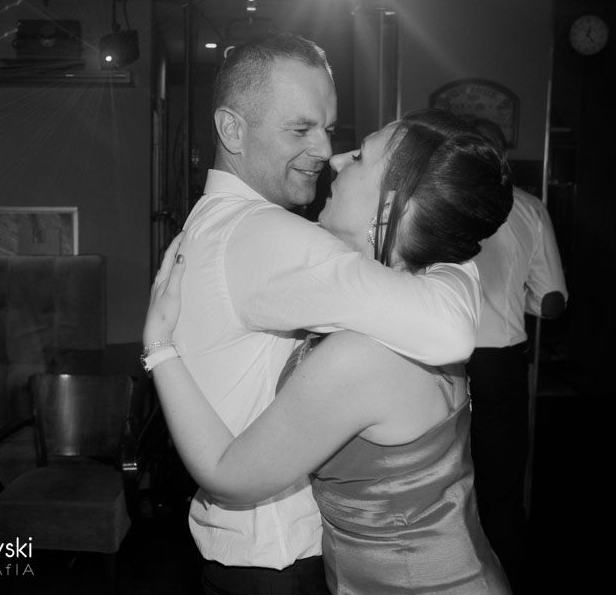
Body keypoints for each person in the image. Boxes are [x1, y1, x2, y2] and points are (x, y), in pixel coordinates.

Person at [160, 32, 486, 595]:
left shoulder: (229, 226)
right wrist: (458, 260)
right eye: (299, 129)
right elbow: (449, 326)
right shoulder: (262, 236)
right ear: (232, 131)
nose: (326, 151)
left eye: (330, 129)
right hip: (282, 562)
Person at [466, 118, 569, 593]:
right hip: (500, 363)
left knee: (439, 477)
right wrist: (519, 295)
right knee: (502, 481)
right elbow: (551, 302)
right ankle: (504, 577)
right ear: (503, 156)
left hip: (438, 359)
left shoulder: (439, 202)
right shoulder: (528, 207)